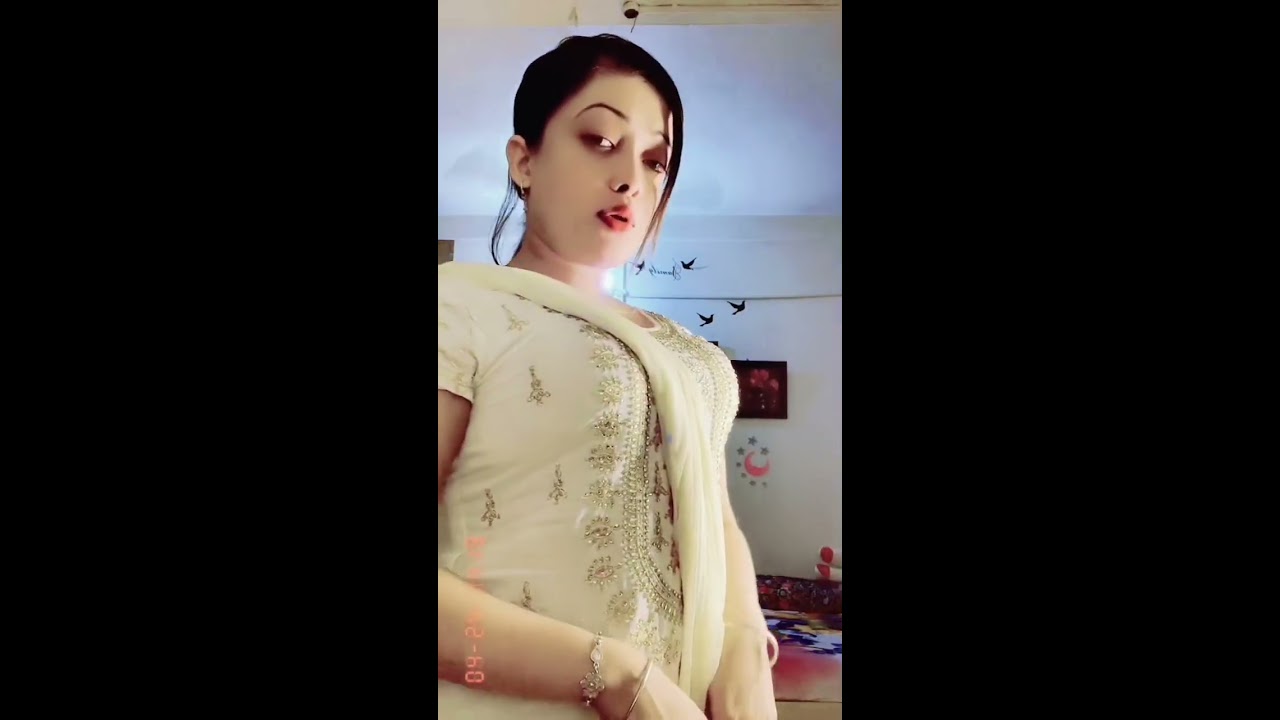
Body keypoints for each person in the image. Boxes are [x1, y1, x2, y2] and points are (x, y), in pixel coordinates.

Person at [438, 34, 778, 720]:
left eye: (655, 160)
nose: (631, 179)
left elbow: (714, 513)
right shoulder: (460, 307)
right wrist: (619, 676)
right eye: (599, 140)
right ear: (524, 160)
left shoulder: (684, 349)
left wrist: (745, 639)